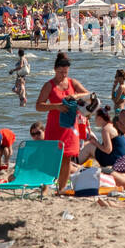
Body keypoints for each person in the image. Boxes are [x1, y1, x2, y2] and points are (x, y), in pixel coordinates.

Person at [36, 52, 92, 194]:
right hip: (54, 125)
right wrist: (56, 106)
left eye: (65, 73)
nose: (63, 75)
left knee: (67, 158)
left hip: (70, 126)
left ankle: (61, 189)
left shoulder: (72, 82)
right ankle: (45, 187)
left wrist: (75, 95)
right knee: (51, 157)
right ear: (55, 70)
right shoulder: (49, 85)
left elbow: (89, 95)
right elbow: (38, 106)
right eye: (60, 72)